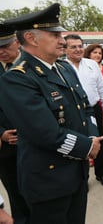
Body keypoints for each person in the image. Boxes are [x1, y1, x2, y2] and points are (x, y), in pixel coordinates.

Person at [0, 3, 102, 224]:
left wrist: (93, 136)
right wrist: (87, 147)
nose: (62, 40)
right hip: (48, 181)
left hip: (76, 172)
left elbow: (85, 106)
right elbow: (45, 133)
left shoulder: (64, 68)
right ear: (32, 38)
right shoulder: (17, 79)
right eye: (54, 35)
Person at [65, 35, 103, 187]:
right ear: (65, 49)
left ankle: (101, 174)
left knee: (99, 142)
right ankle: (82, 180)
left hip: (93, 109)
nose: (78, 49)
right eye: (73, 47)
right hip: (73, 113)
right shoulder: (61, 67)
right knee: (79, 145)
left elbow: (102, 89)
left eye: (80, 46)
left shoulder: (92, 64)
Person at [0, 24, 30, 224]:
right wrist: (0, 133)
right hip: (6, 148)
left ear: (17, 43)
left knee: (38, 195)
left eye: (4, 46)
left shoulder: (34, 66)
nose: (0, 51)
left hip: (34, 146)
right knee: (16, 195)